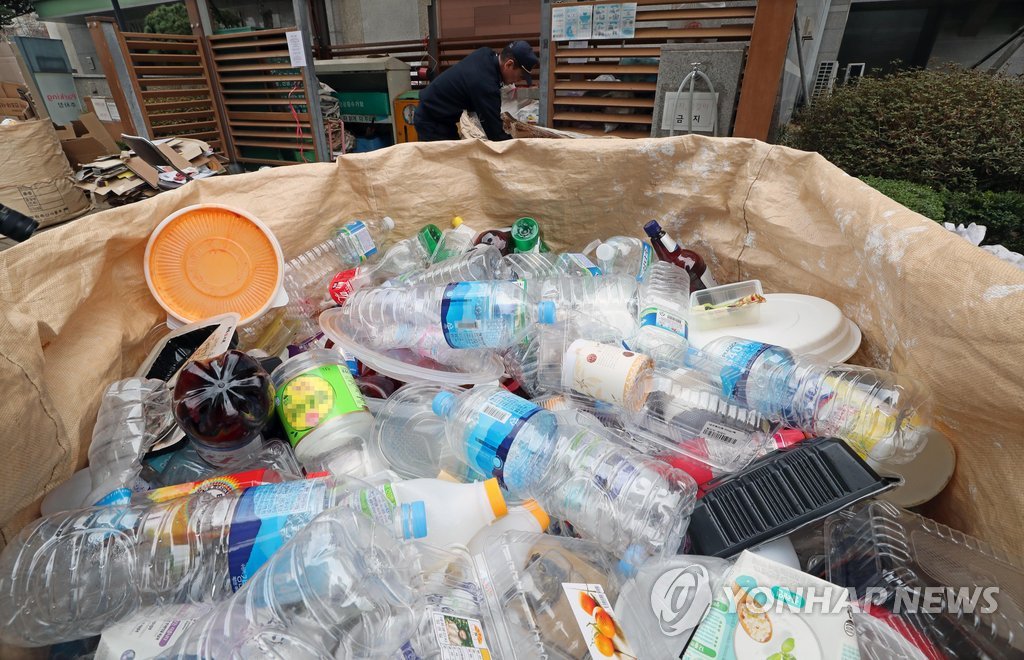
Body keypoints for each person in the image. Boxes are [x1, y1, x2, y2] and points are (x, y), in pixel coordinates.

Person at [414, 40, 539, 142]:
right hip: (431, 120)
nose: (517, 80)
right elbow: (496, 135)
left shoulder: (485, 54)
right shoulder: (486, 84)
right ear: (508, 65)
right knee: (445, 163)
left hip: (442, 117)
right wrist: (515, 147)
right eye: (520, 76)